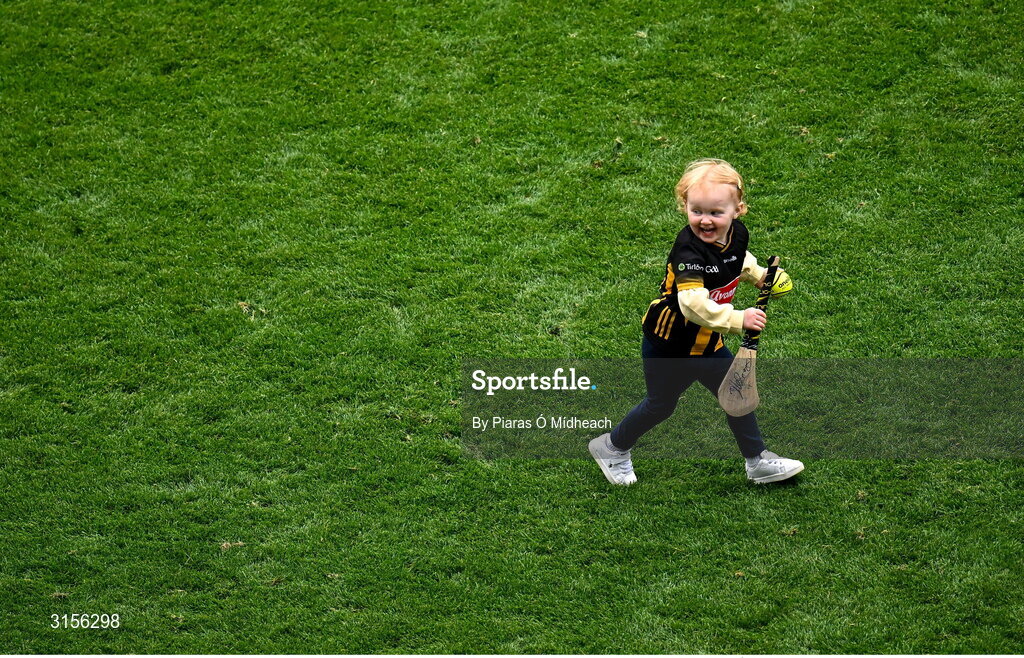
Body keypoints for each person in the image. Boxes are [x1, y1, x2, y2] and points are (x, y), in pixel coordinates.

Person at [589, 159, 803, 486]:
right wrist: (738, 319)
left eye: (716, 213)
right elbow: (692, 306)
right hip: (670, 343)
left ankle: (757, 461)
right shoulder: (688, 252)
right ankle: (612, 447)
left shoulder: (736, 235)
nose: (705, 220)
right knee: (660, 406)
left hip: (707, 343)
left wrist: (760, 277)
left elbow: (738, 261)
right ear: (684, 207)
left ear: (737, 210)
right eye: (696, 210)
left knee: (737, 396)